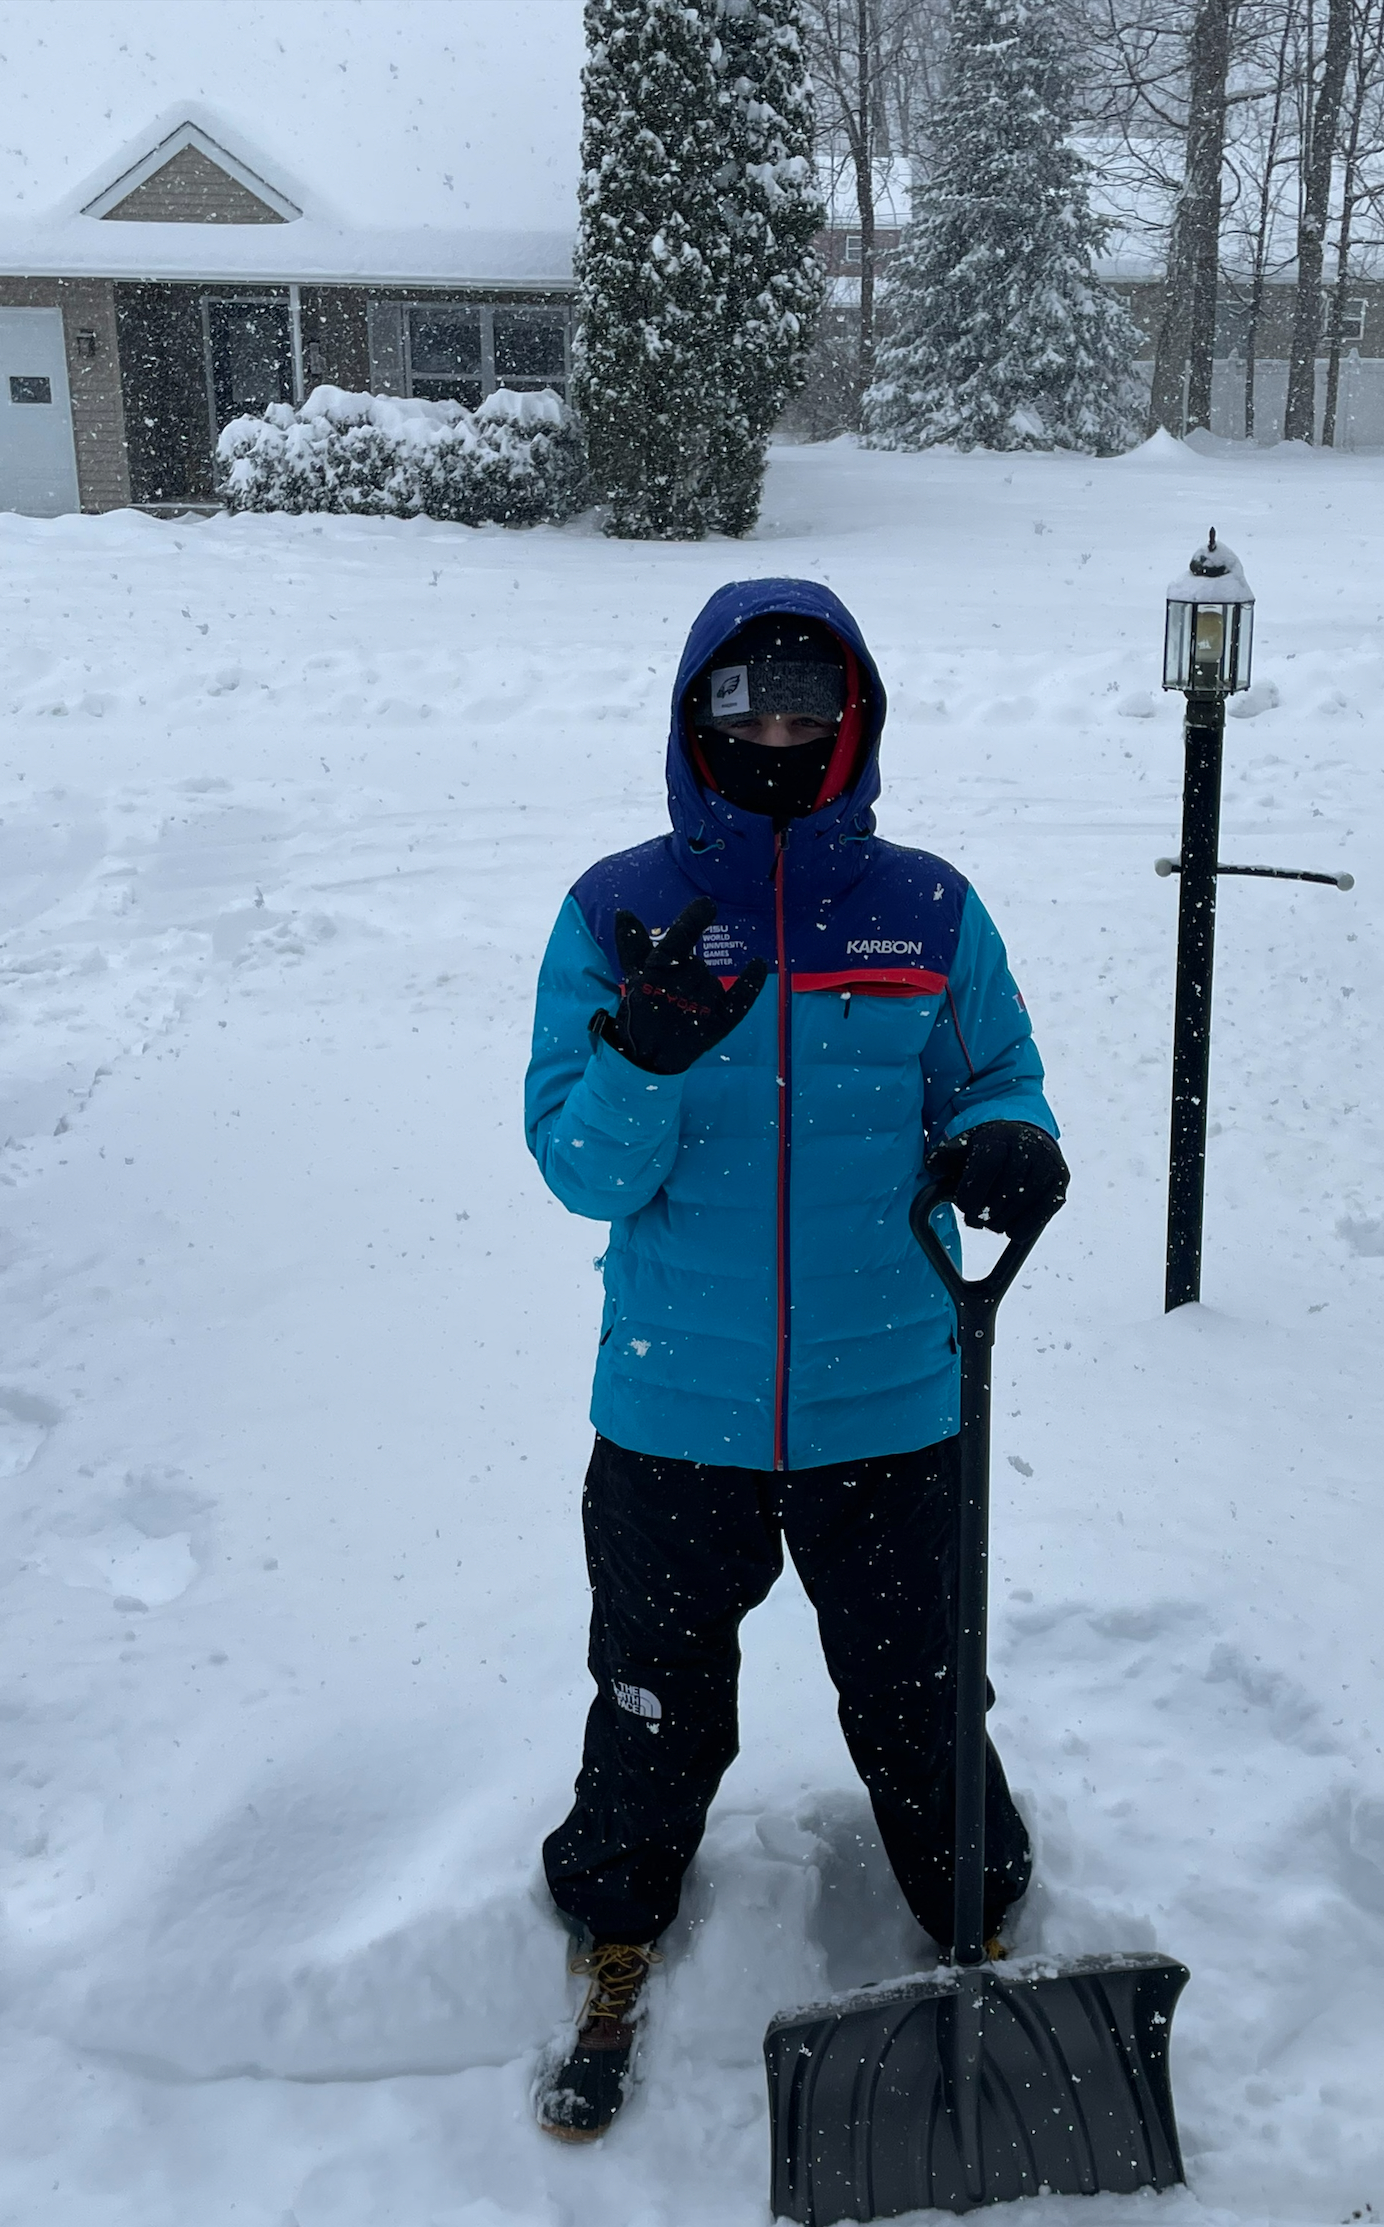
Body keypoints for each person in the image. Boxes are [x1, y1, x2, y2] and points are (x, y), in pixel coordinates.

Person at [523, 577, 1068, 2141]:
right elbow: (577, 1165)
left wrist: (1003, 1142)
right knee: (652, 1698)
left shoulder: (927, 907)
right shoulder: (617, 908)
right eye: (744, 701)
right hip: (674, 1405)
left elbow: (998, 1074)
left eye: (805, 702)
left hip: (890, 1395)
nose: (774, 729)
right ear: (696, 715)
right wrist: (642, 1053)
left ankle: (977, 1917)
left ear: (854, 717)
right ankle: (616, 1918)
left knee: (915, 1693)